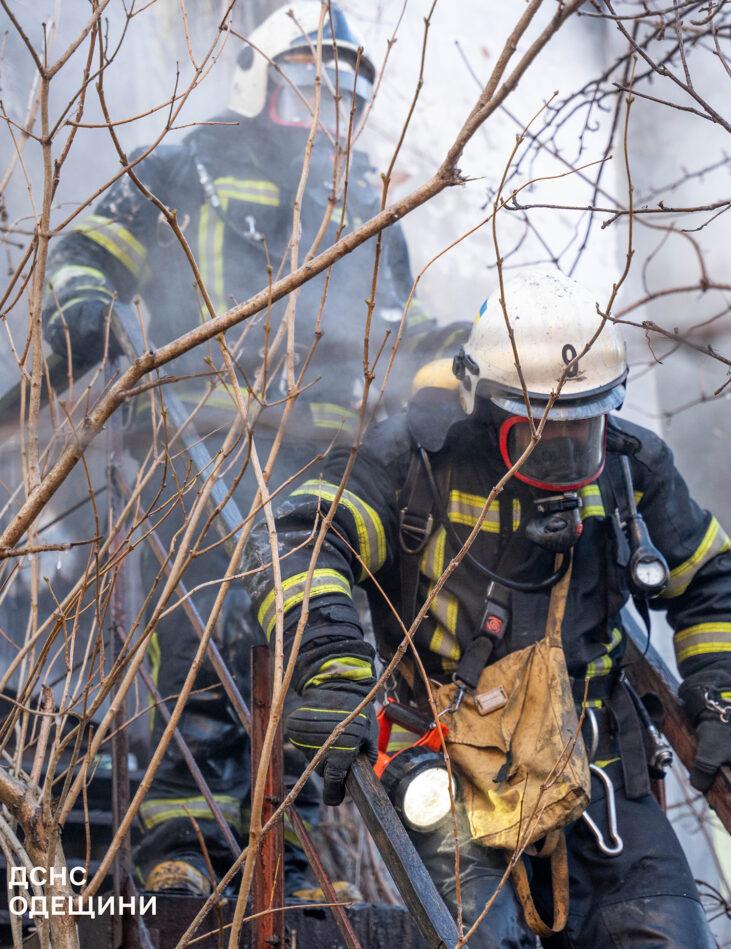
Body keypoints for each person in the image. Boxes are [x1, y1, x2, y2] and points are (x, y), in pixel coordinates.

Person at [42, 2, 461, 896]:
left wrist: (449, 362)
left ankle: (289, 849)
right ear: (258, 83)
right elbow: (86, 250)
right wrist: (84, 311)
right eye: (315, 89)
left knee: (312, 651)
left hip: (324, 469)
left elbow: (404, 329)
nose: (332, 117)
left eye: (348, 100)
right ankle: (179, 846)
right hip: (202, 449)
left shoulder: (366, 213)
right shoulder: (187, 165)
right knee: (195, 642)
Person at [243, 268, 731, 947]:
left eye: (584, 428)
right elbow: (295, 543)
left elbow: (711, 578)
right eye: (540, 432)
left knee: (665, 931)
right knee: (482, 937)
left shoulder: (634, 466)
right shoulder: (413, 460)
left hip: (598, 766)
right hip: (446, 763)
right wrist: (334, 669)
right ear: (482, 402)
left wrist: (722, 699)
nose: (568, 453)